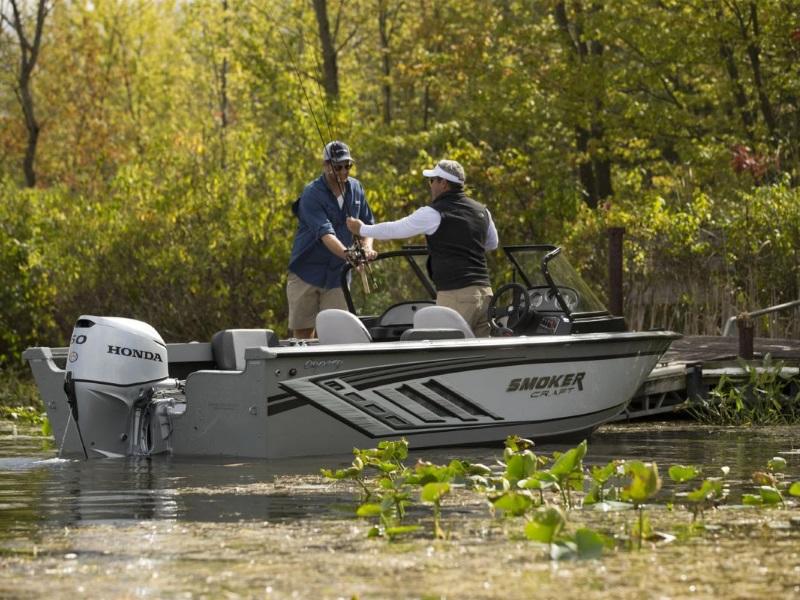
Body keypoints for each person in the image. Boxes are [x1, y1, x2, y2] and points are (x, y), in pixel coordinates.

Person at [347, 159, 498, 336]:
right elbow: (492, 243)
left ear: (443, 183)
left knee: (446, 349)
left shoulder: (434, 212)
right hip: (486, 294)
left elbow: (397, 229)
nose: (430, 185)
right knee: (479, 351)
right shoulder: (483, 211)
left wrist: (361, 229)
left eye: (432, 180)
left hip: (456, 295)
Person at [287, 141, 376, 339]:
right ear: (326, 165)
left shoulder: (357, 188)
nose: (344, 171)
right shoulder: (311, 193)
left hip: (338, 275)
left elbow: (367, 225)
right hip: (306, 272)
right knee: (303, 335)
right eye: (338, 167)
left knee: (337, 333)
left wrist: (366, 248)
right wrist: (349, 255)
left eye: (348, 166)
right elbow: (326, 234)